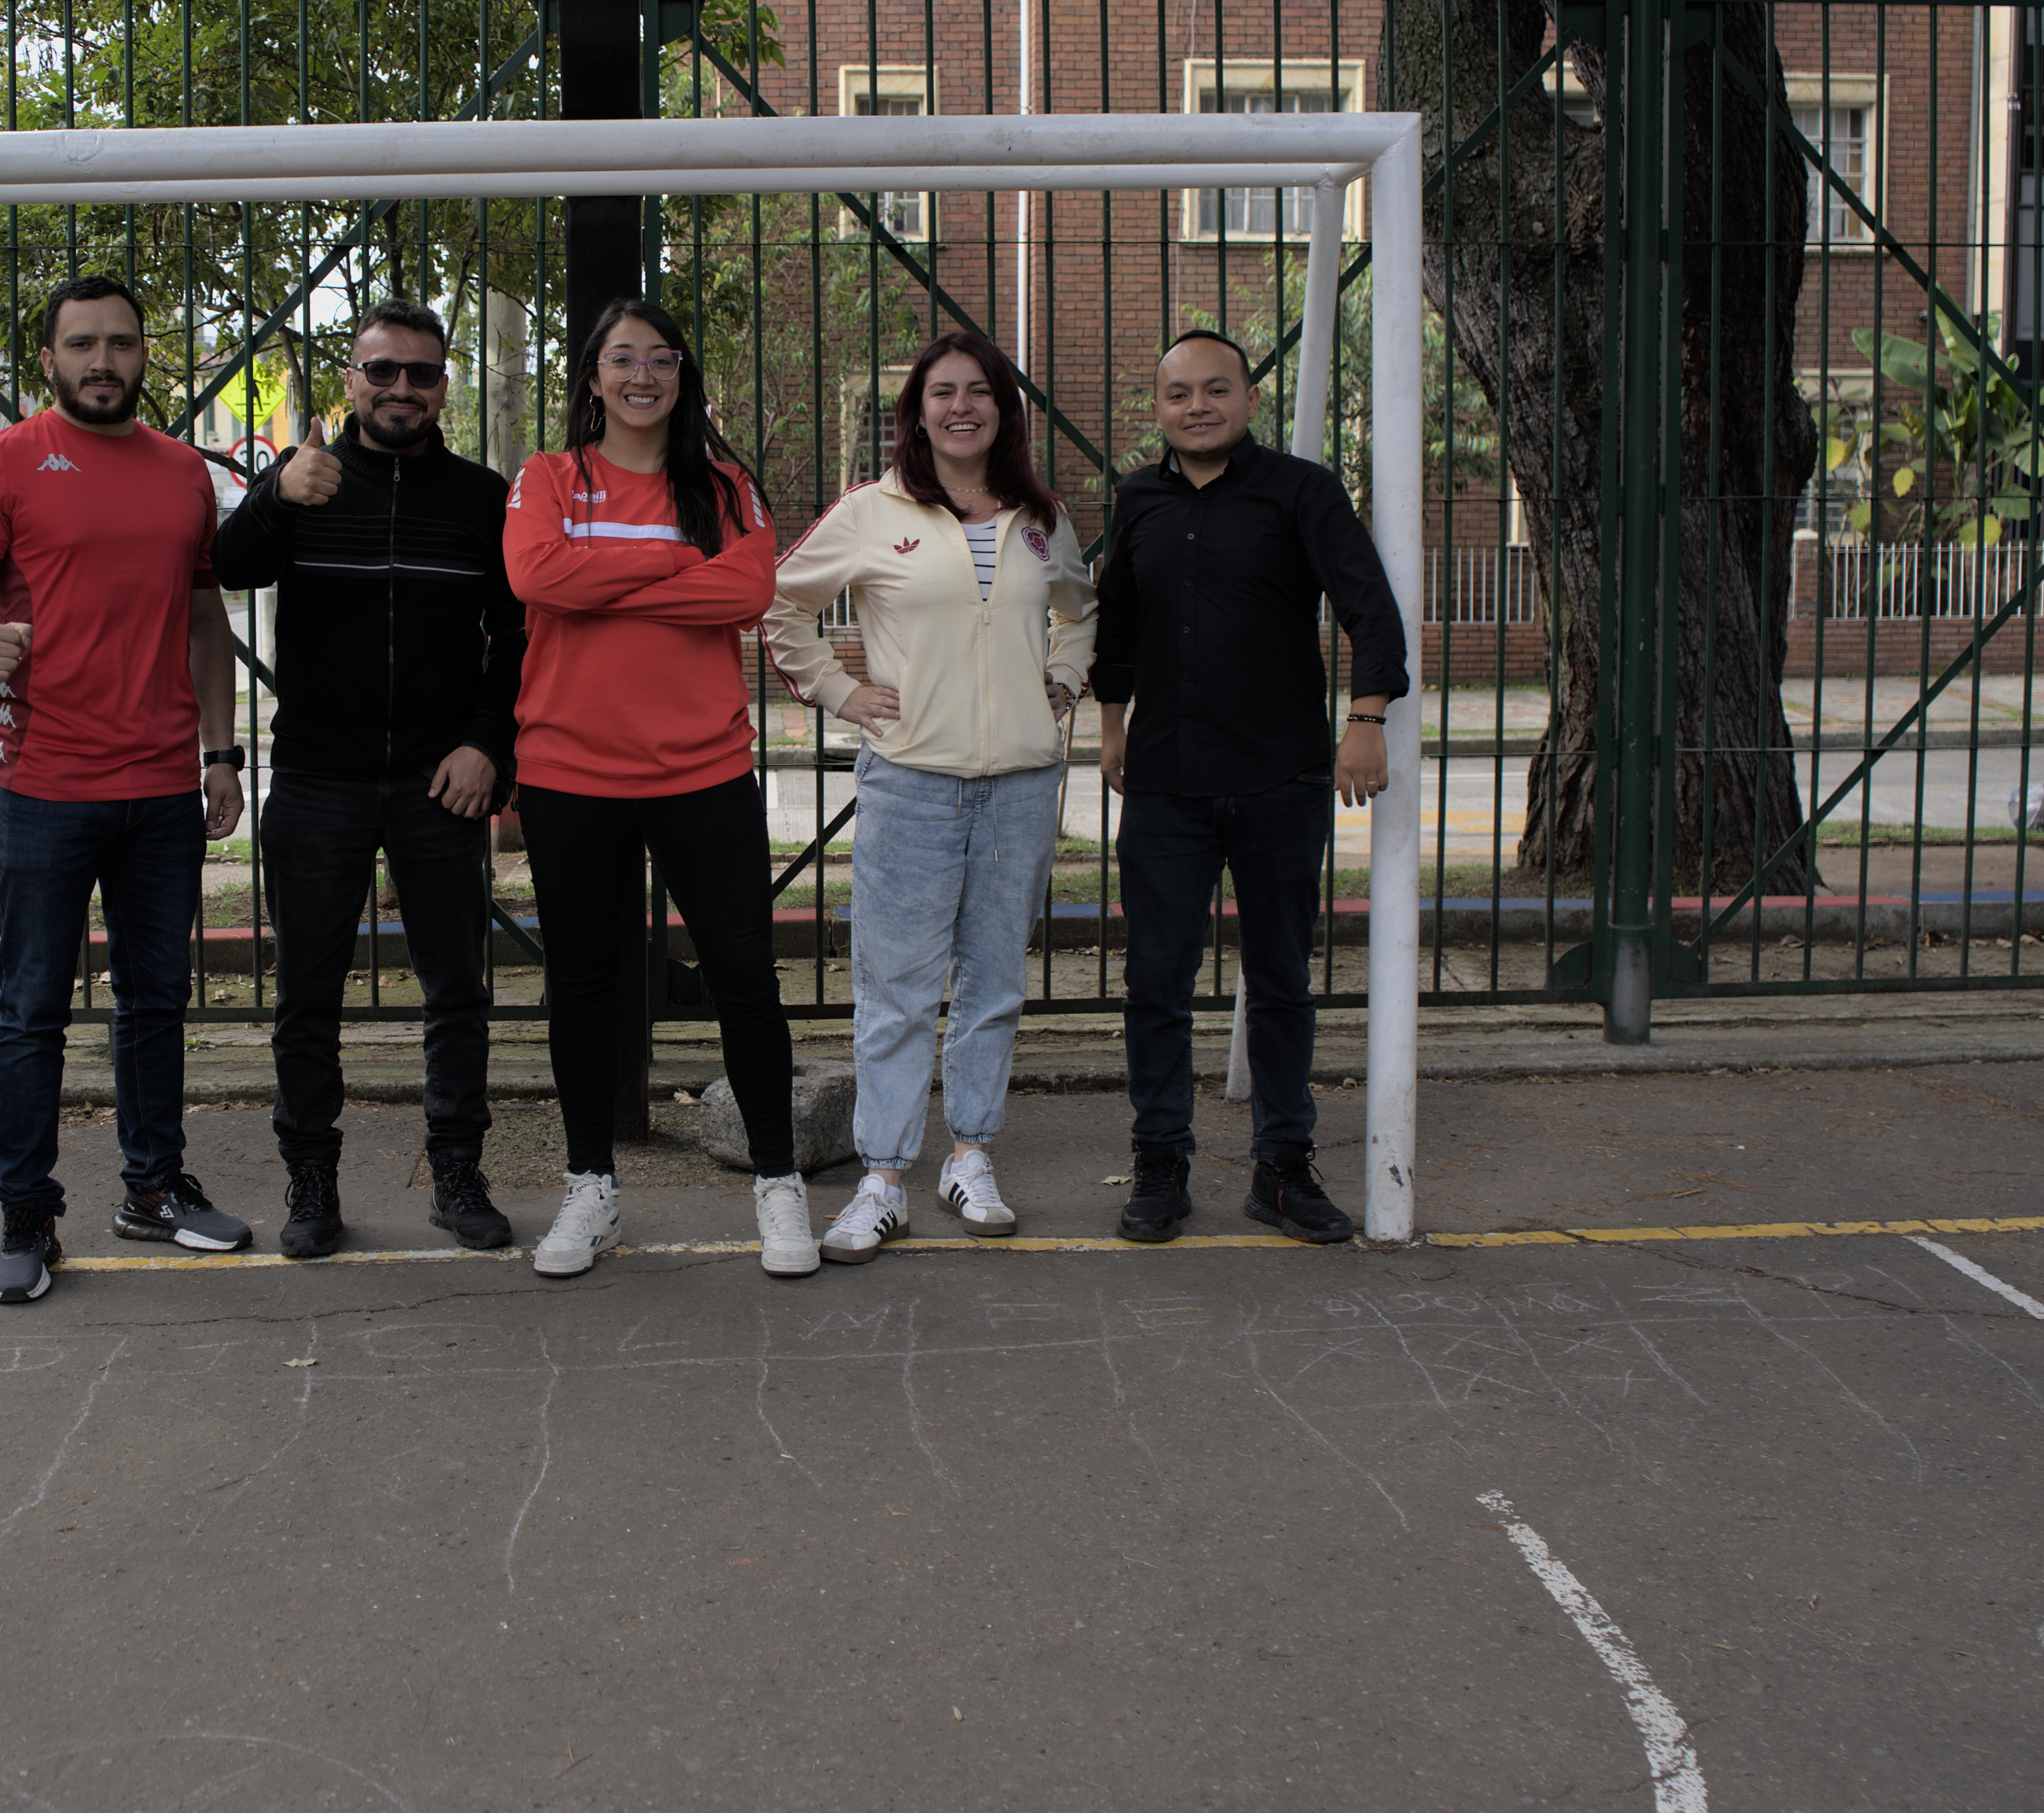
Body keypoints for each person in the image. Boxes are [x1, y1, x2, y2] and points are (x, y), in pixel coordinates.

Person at [0, 275, 253, 1304]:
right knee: (32, 1012)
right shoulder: (4, 462)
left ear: (144, 352)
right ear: (51, 358)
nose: (102, 359)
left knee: (155, 1001)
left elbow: (206, 625)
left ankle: (153, 1189)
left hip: (161, 788)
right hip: (45, 787)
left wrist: (223, 752)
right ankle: (27, 1213)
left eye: (120, 341)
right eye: (82, 344)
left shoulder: (185, 474)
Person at [501, 296, 818, 1281]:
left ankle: (778, 1183)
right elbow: (534, 577)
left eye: (662, 360)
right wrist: (676, 567)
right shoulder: (549, 477)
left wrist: (616, 572)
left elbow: (746, 591)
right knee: (586, 987)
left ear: (683, 376)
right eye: (621, 359)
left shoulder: (722, 486)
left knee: (745, 978)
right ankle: (590, 1185)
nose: (642, 376)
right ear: (592, 376)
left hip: (703, 771)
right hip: (570, 772)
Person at [764, 332, 1095, 1261]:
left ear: (1003, 410)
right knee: (898, 992)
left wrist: (1063, 680)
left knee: (992, 985)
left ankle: (971, 1157)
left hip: (1023, 786)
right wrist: (839, 691)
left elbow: (1081, 606)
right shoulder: (874, 511)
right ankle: (882, 1178)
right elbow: (783, 603)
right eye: (942, 392)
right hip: (911, 784)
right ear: (916, 411)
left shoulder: (1041, 517)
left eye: (979, 392)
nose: (961, 407)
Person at [210, 298, 523, 1258]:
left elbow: (515, 636)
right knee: (308, 993)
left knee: (456, 990)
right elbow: (227, 565)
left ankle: (457, 1172)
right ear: (350, 380)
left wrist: (488, 746)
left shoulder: (480, 496)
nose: (400, 389)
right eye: (381, 370)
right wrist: (275, 491)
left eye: (420, 374)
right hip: (317, 778)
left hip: (440, 781)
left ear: (443, 385)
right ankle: (312, 1183)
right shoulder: (307, 480)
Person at [1089, 328, 1408, 1247]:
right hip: (1166, 788)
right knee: (1155, 983)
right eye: (1179, 393)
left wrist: (1366, 720)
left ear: (1249, 400)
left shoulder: (1301, 492)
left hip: (1280, 779)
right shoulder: (1139, 499)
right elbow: (1121, 625)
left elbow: (1367, 603)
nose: (1198, 405)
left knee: (1279, 982)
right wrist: (1114, 729)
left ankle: (1282, 1169)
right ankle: (1160, 1164)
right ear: (1158, 409)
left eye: (1216, 388)